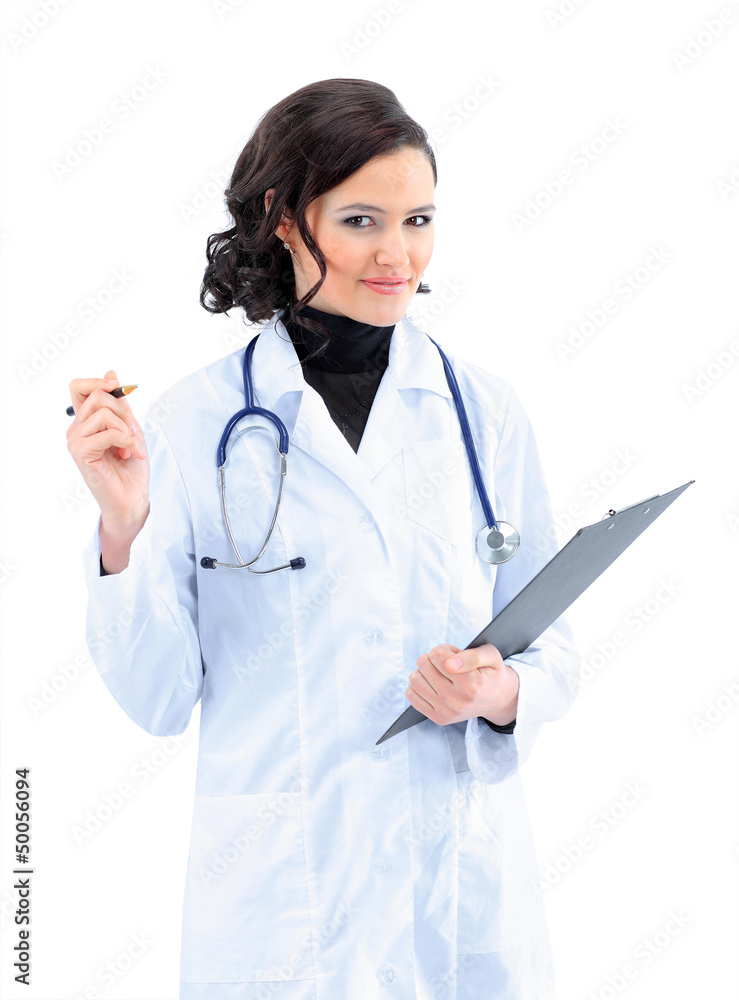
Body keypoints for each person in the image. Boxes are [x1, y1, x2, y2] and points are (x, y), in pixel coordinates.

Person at [67, 78, 580, 1000]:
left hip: (455, 895)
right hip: (283, 909)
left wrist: (497, 690)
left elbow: (552, 648)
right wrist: (122, 527)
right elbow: (157, 698)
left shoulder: (483, 413)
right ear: (281, 218)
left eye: (417, 220)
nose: (397, 255)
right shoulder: (193, 423)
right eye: (359, 222)